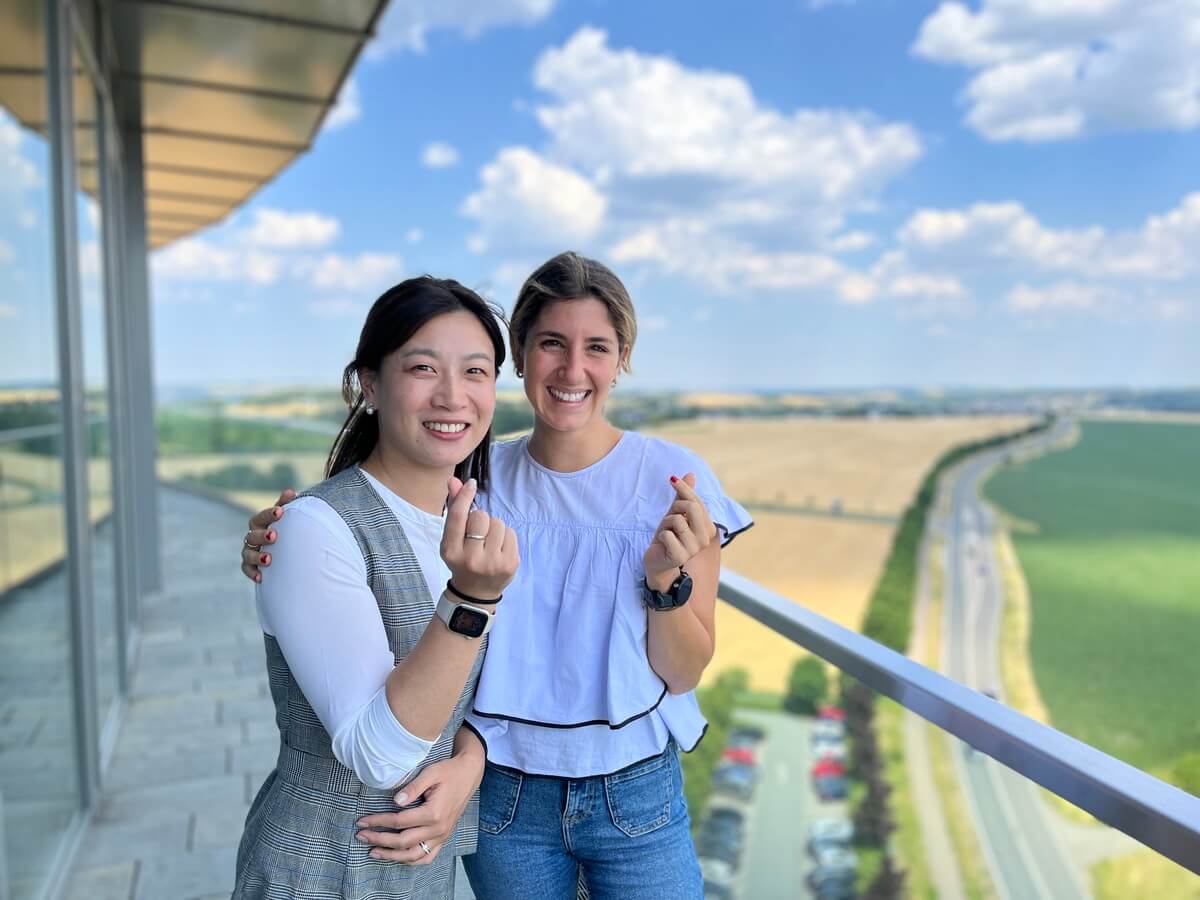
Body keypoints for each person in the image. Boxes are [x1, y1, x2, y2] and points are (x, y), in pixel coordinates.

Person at [241, 253, 753, 899]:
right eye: (551, 343)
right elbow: (374, 525)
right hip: (502, 796)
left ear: (622, 358)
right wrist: (289, 536)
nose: (573, 369)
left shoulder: (673, 484)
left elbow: (683, 675)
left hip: (635, 789)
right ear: (522, 355)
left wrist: (663, 586)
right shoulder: (472, 484)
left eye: (597, 347)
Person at [233, 276, 519, 900]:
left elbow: (479, 696)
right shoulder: (312, 529)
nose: (453, 395)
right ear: (370, 384)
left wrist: (470, 764)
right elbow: (377, 755)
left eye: (476, 371)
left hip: (421, 876)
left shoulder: (474, 527)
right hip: (319, 870)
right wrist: (470, 602)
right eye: (423, 367)